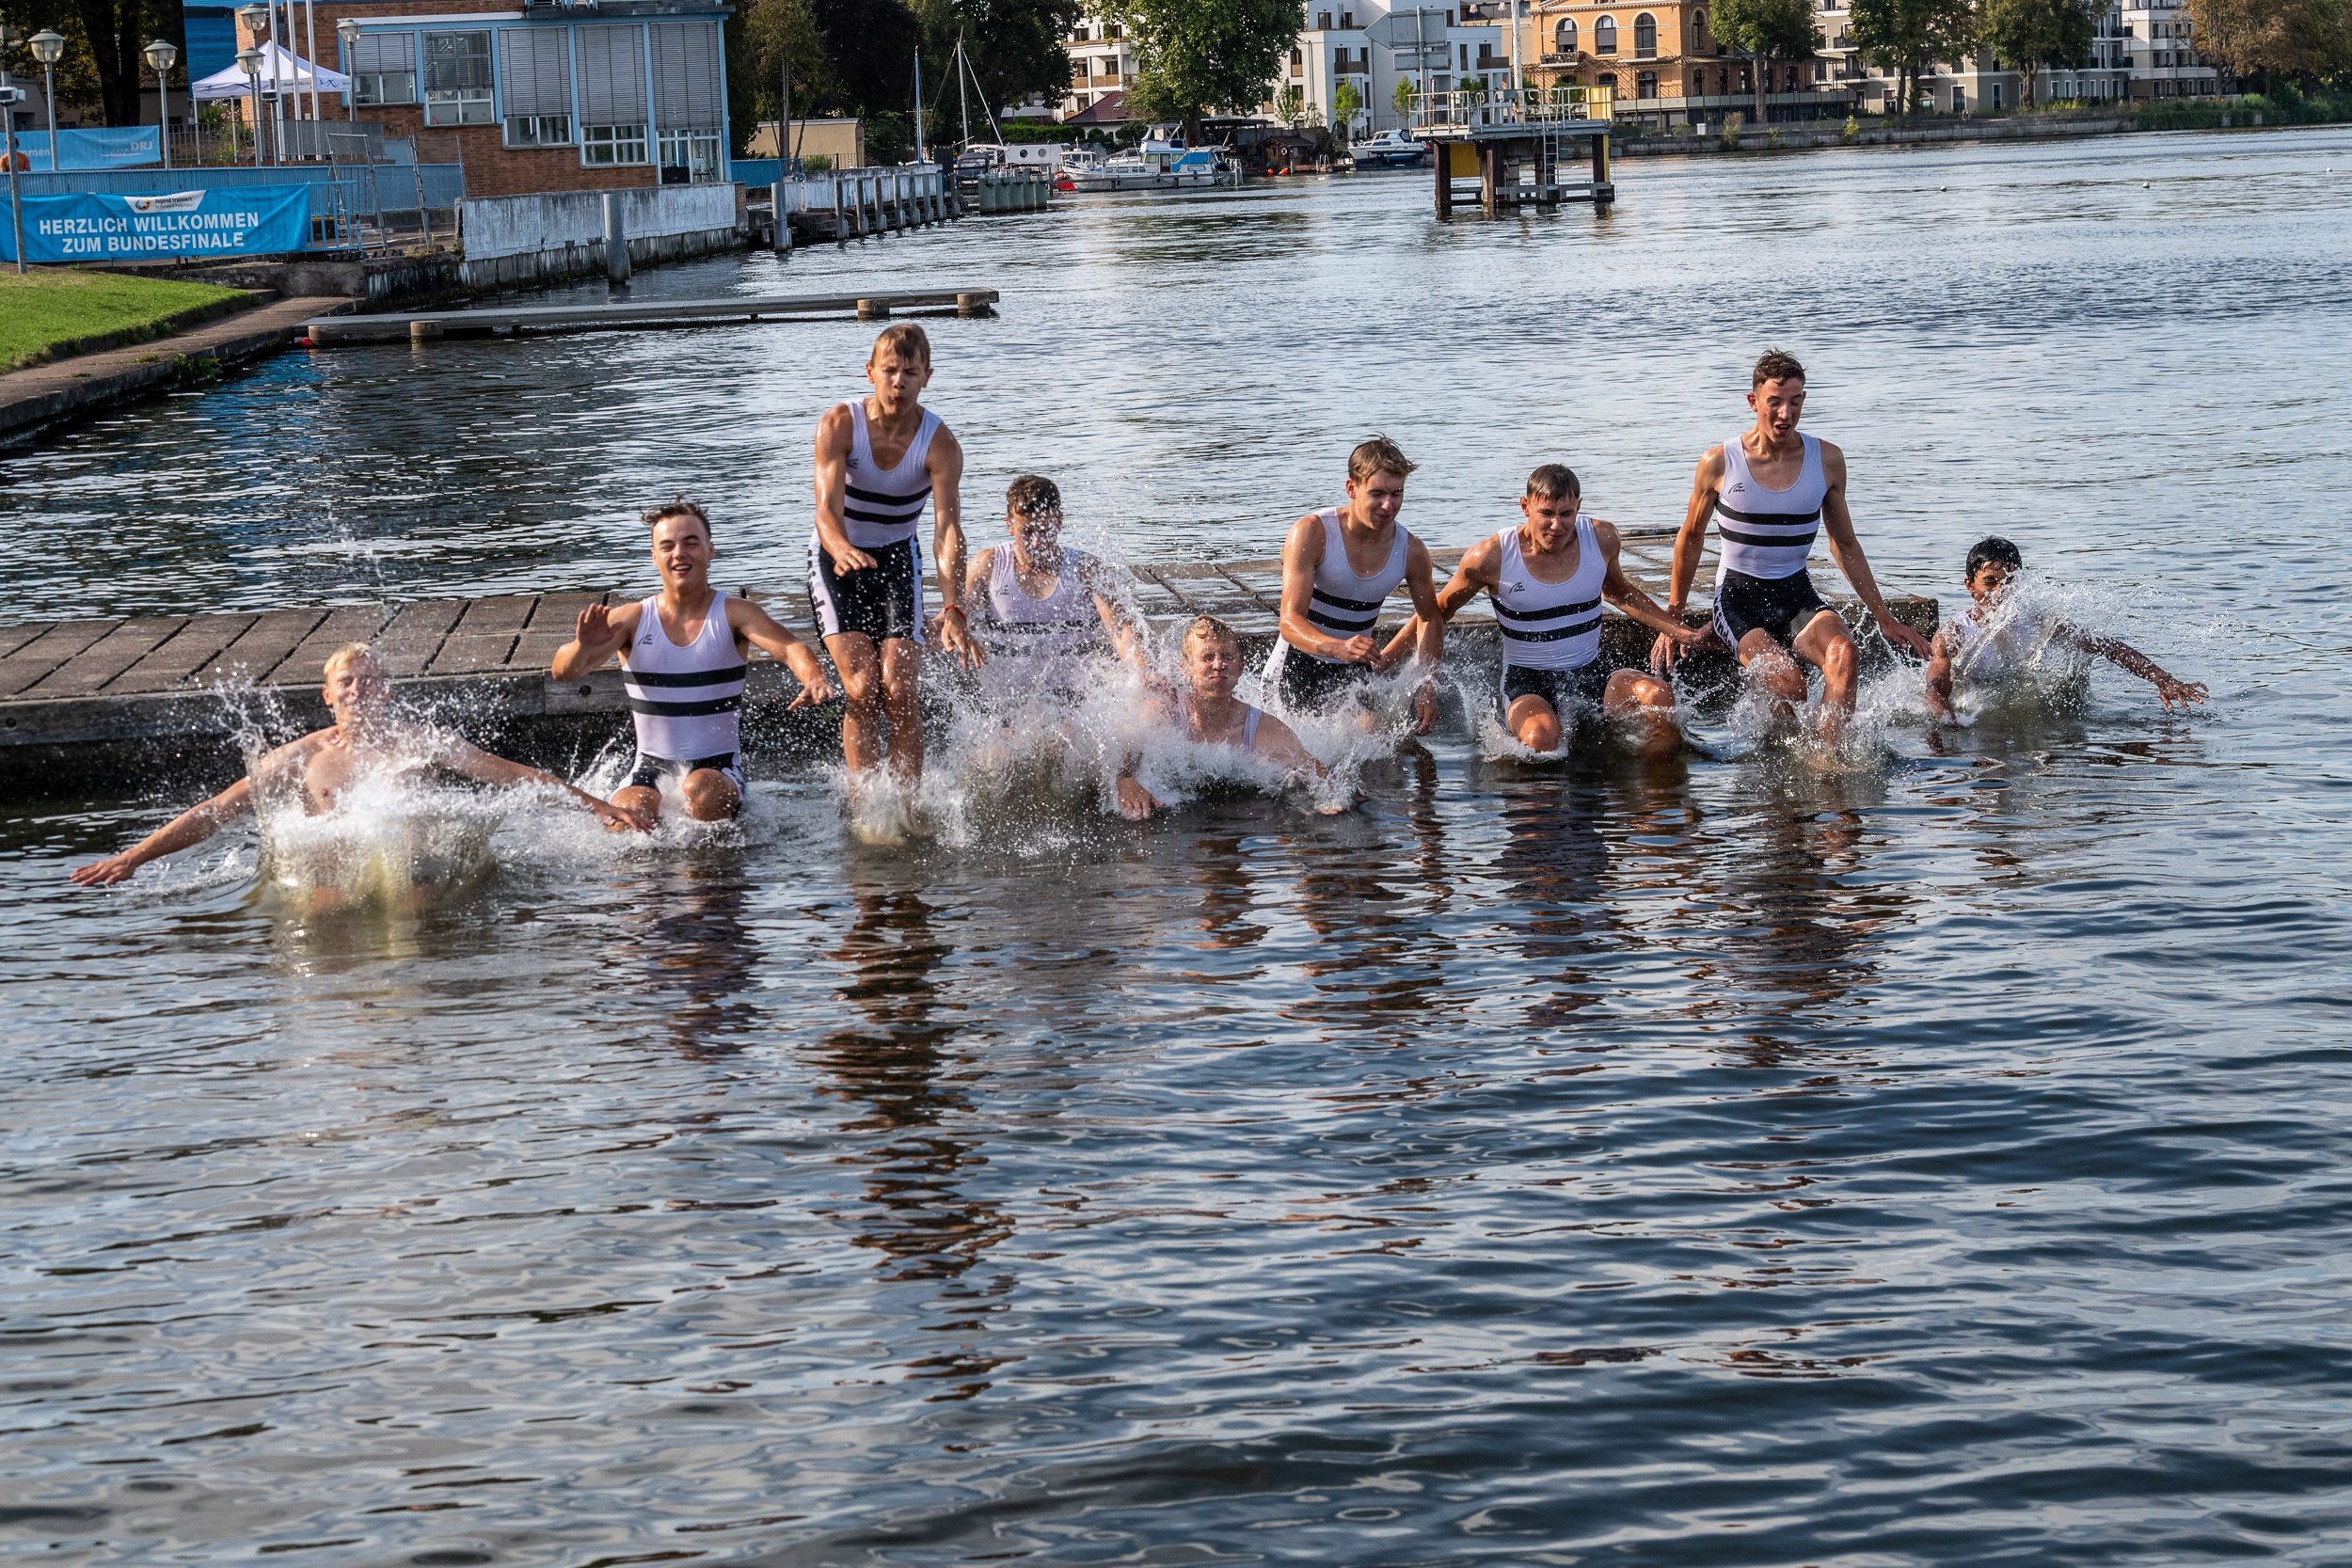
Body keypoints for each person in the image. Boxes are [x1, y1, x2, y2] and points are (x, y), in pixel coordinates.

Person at [70, 644, 644, 885]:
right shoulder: (302, 758)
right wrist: (135, 856)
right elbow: (217, 810)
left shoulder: (421, 742)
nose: (359, 690)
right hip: (337, 874)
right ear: (328, 695)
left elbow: (515, 777)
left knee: (416, 885)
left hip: (417, 870)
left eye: (370, 681)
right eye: (347, 681)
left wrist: (598, 807)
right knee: (326, 901)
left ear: (386, 692)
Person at [1650, 349, 1933, 747]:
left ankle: (1827, 759)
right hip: (1737, 598)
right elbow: (1691, 538)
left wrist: (1885, 617)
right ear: (1753, 402)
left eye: (1795, 401)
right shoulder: (1719, 462)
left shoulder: (1827, 460)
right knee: (1790, 686)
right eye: (1775, 402)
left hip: (1796, 594)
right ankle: (1776, 751)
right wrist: (1673, 622)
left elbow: (1844, 543)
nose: (1786, 414)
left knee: (1844, 655)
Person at [551, 499, 835, 825]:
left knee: (701, 789)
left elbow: (791, 648)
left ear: (710, 550)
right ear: (654, 556)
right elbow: (563, 673)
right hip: (649, 767)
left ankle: (710, 871)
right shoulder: (631, 619)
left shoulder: (734, 614)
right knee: (628, 818)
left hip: (718, 770)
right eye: (667, 546)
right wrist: (582, 648)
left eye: (691, 543)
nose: (679, 554)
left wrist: (813, 677)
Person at [1416, 464, 1708, 756]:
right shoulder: (1491, 556)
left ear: (1578, 507)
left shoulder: (1601, 538)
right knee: (1541, 737)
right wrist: (1418, 678)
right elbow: (1434, 612)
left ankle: (1649, 793)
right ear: (1525, 506)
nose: (1557, 526)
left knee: (1659, 698)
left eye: (1567, 514)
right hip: (1527, 678)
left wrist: (1684, 633)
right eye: (1547, 514)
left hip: (1590, 670)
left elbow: (1619, 592)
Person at [809, 323, 978, 784]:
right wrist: (843, 548)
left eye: (910, 372)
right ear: (870, 372)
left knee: (900, 690)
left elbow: (947, 530)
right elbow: (825, 512)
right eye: (889, 371)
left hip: (898, 558)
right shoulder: (840, 424)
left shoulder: (940, 445)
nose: (898, 382)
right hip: (835, 558)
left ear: (927, 376)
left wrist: (953, 606)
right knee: (862, 689)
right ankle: (867, 806)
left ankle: (906, 805)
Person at [1264, 436, 1445, 733]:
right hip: (1296, 664)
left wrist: (1427, 682)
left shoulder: (1411, 551)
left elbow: (1430, 617)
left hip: (1352, 668)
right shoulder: (1312, 533)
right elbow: (1289, 622)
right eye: (1377, 493)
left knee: (1377, 743)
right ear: (1352, 488)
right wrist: (1338, 648)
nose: (1388, 505)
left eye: (1396, 494)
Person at [1924, 535, 2208, 721]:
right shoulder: (1955, 634)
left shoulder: (2036, 622)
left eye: (2010, 581)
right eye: (1990, 582)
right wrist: (1950, 728)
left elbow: (2106, 646)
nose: (2002, 592)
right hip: (1973, 706)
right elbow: (1934, 692)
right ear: (1970, 585)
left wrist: (2163, 679)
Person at [1115, 616, 1343, 819]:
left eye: (1227, 656)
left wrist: (1332, 803)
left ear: (1241, 667)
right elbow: (1114, 762)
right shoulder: (1163, 715)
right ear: (1186, 668)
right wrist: (1125, 782)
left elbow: (1313, 770)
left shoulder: (1264, 731)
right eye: (1207, 657)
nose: (1219, 665)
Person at [963, 474, 1141, 685]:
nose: (1036, 543)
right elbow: (954, 618)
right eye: (1027, 532)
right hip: (1008, 702)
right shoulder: (988, 566)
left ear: (1059, 522)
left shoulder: (1086, 569)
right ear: (1010, 525)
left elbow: (1121, 630)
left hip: (1079, 701)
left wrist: (1144, 672)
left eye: (1045, 530)